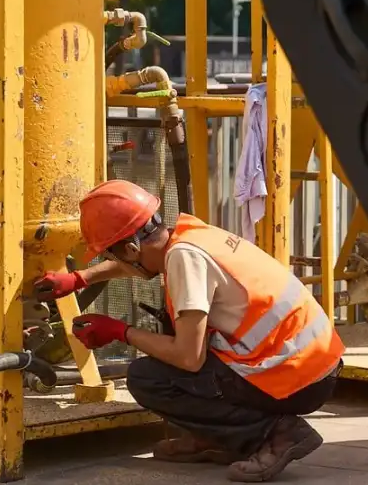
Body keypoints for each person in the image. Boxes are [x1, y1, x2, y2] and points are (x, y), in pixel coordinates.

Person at [33, 180, 345, 483]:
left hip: (297, 379)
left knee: (149, 378)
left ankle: (278, 433)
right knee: (173, 354)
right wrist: (79, 279)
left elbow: (189, 357)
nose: (114, 262)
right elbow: (135, 262)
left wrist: (119, 331)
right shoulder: (189, 235)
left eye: (112, 255)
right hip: (314, 363)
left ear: (130, 248)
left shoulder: (185, 260)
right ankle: (215, 439)